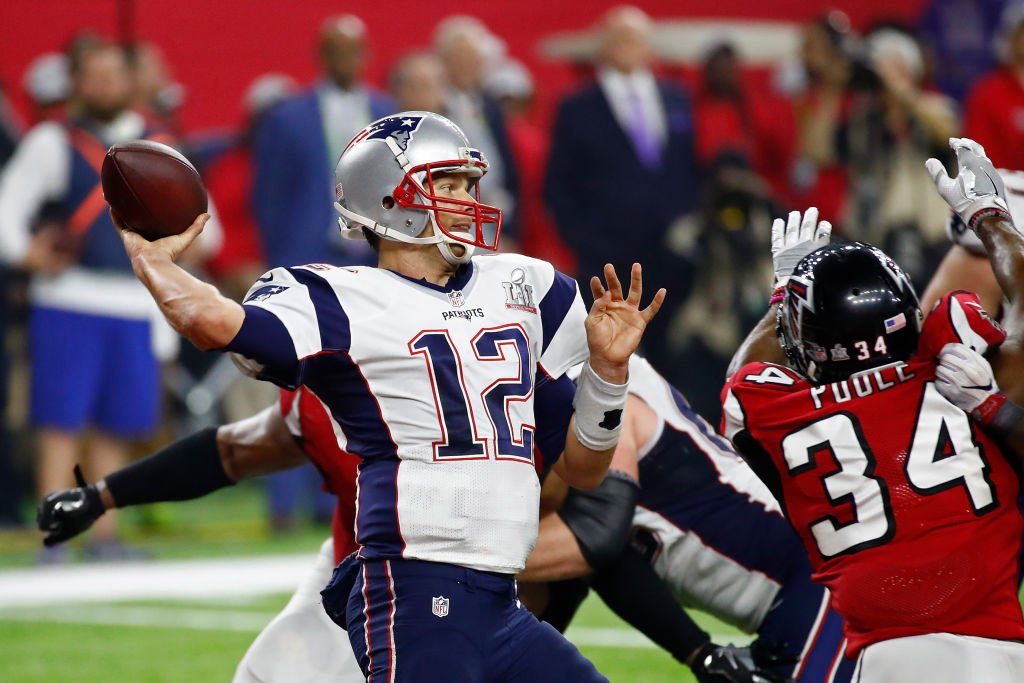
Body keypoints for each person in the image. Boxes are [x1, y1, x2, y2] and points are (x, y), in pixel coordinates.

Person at [110, 110, 664, 682]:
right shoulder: (339, 297)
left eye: (468, 185)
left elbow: (585, 470)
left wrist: (606, 372)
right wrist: (153, 261)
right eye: (445, 185)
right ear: (388, 199)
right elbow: (212, 322)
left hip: (503, 603)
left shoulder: (525, 290)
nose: (466, 200)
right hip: (415, 591)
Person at [720, 137, 1024, 681]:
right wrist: (990, 217)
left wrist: (781, 292)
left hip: (882, 659)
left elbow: (742, 375)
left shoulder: (775, 415)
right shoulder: (966, 371)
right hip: (992, 650)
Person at [0, 39, 217, 561]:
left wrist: (184, 247)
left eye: (113, 74)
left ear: (130, 81)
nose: (105, 85)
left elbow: (207, 225)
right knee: (61, 424)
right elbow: (8, 209)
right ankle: (57, 532)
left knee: (118, 426)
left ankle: (105, 536)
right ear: (75, 83)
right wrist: (28, 254)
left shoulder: (159, 144)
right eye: (93, 75)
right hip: (69, 298)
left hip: (134, 301)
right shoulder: (53, 142)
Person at [519, 355, 852, 683]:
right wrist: (700, 653)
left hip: (814, 572)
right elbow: (589, 571)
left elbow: (596, 535)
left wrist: (477, 553)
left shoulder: (595, 390)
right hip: (787, 594)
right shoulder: (557, 399)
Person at [543, 5, 698, 375]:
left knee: (673, 356)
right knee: (609, 353)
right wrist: (584, 242)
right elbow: (558, 184)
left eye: (635, 38)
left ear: (649, 46)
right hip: (606, 258)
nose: (627, 47)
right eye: (619, 39)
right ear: (601, 47)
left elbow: (688, 168)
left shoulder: (677, 97)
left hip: (672, 255)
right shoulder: (576, 106)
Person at [252, 14, 395, 269]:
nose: (345, 60)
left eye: (352, 52)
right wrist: (279, 253)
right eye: (336, 52)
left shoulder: (386, 111)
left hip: (375, 249)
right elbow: (269, 194)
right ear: (321, 56)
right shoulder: (288, 118)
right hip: (308, 248)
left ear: (366, 55)